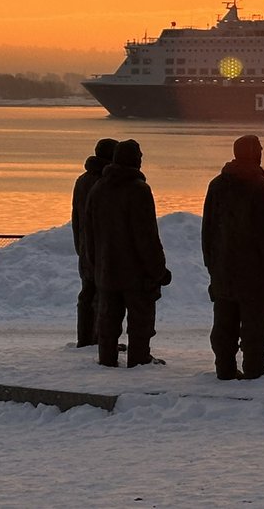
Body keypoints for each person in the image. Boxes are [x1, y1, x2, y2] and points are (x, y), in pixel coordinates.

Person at [201, 134, 264, 380]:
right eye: (259, 148)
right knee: (255, 326)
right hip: (254, 272)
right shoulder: (261, 187)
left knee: (224, 324)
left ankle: (224, 369)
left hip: (223, 269)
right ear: (253, 153)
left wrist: (212, 265)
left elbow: (208, 231)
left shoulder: (216, 185)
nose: (262, 152)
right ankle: (255, 370)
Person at [87, 138, 171, 368]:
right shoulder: (139, 190)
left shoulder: (98, 188)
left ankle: (107, 359)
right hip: (136, 273)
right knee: (140, 321)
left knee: (108, 319)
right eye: (139, 156)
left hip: (107, 269)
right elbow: (147, 237)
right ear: (134, 159)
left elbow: (90, 233)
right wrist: (158, 270)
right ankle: (139, 359)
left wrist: (96, 265)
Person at [71, 137, 118, 348]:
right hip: (102, 247)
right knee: (103, 295)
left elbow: (76, 218)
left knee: (88, 294)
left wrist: (79, 245)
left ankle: (86, 338)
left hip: (84, 245)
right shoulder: (104, 183)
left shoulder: (82, 180)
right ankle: (100, 339)